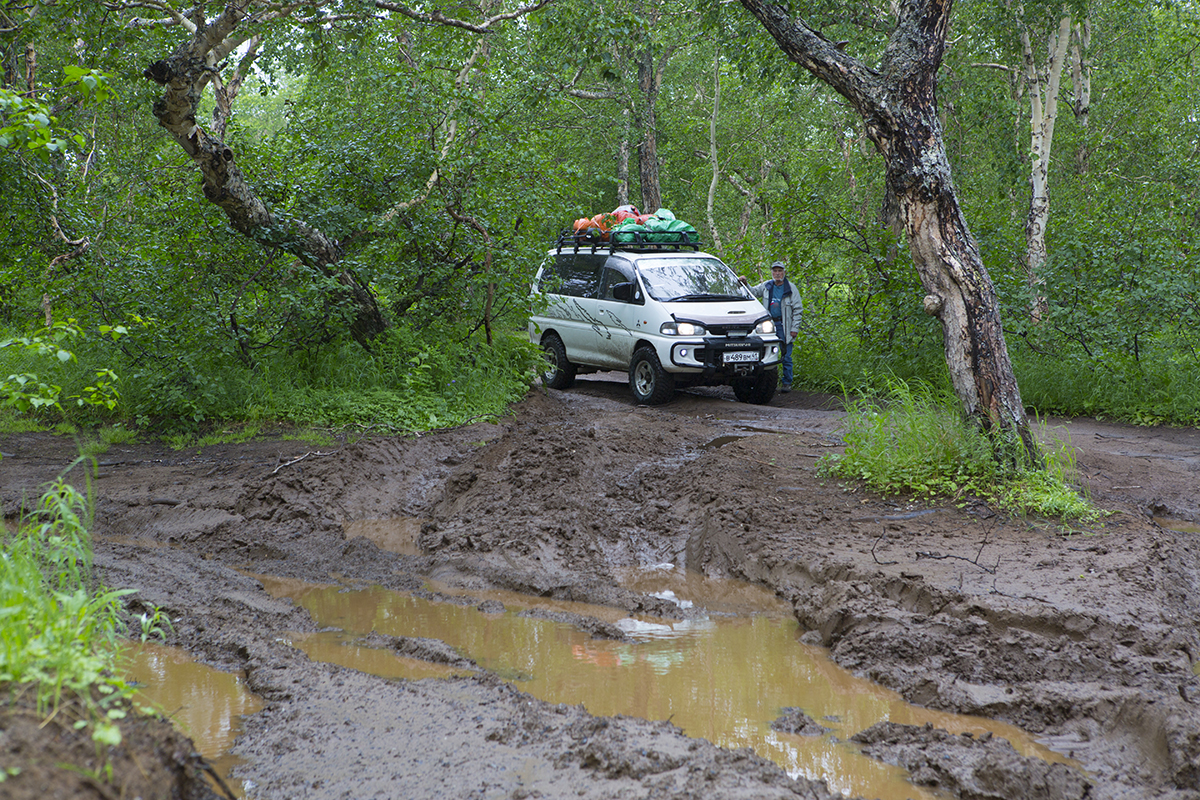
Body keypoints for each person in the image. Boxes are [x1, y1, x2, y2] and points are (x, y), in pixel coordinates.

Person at [739, 261, 802, 392]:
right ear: (772, 272)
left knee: (786, 355)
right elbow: (753, 292)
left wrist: (794, 328)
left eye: (780, 271)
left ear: (784, 272)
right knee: (766, 352)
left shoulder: (790, 288)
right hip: (768, 325)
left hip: (784, 325)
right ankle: (764, 381)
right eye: (775, 271)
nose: (777, 273)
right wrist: (745, 283)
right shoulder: (767, 286)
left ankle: (786, 382)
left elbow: (798, 310)